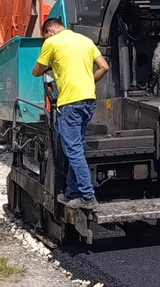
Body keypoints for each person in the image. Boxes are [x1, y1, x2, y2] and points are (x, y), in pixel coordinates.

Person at [32, 18, 109, 210]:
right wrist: (88, 81)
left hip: (70, 103)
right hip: (89, 101)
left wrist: (48, 67)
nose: (46, 39)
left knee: (73, 151)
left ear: (49, 30)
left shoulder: (52, 42)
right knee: (75, 148)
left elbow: (36, 71)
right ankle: (71, 193)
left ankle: (88, 197)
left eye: (45, 35)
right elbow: (104, 67)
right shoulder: (85, 41)